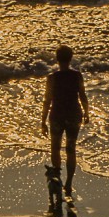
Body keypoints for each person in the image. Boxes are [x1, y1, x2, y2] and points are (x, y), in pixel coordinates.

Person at [40, 45, 90, 196]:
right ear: (71, 58)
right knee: (71, 149)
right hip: (74, 115)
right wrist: (87, 112)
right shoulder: (77, 76)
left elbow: (47, 100)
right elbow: (82, 95)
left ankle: (57, 178)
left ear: (57, 58)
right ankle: (68, 183)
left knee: (55, 148)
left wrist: (42, 121)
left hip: (57, 115)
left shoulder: (52, 78)